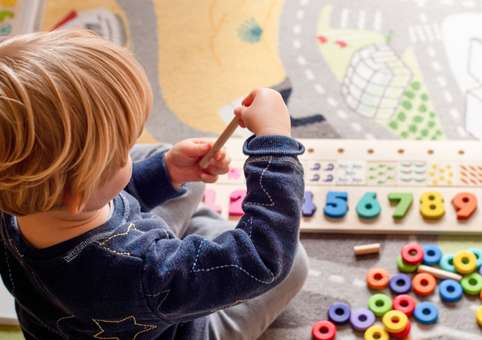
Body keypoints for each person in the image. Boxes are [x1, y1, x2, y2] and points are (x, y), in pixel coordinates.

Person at [0, 28, 308, 340]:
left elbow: (96, 198)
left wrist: (166, 173)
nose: (128, 154)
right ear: (77, 191)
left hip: (84, 308)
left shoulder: (14, 198)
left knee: (169, 166)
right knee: (294, 261)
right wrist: (274, 143)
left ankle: (178, 216)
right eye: (121, 154)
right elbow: (263, 259)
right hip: (177, 324)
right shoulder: (146, 273)